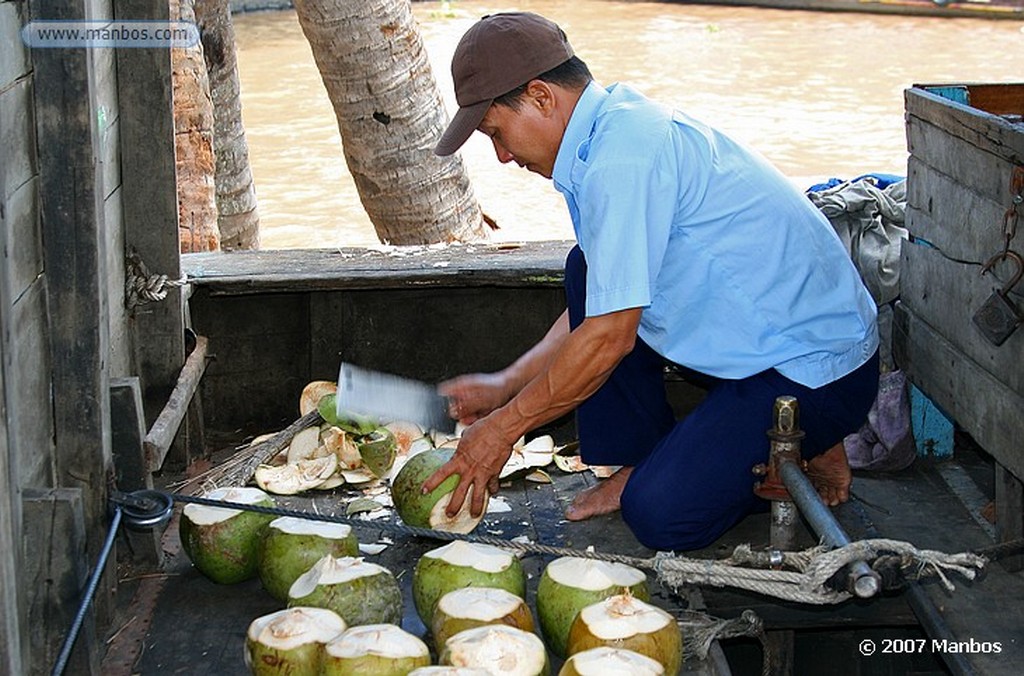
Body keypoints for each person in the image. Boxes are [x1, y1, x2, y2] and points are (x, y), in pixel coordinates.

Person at [422, 12, 879, 551]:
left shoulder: (622, 159)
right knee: (588, 269)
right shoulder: (609, 128)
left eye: (496, 133)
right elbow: (603, 301)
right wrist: (507, 384)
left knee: (661, 515)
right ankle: (658, 457)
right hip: (762, 343)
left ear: (542, 97)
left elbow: (610, 335)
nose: (502, 156)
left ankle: (788, 446)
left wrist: (502, 429)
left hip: (815, 372)